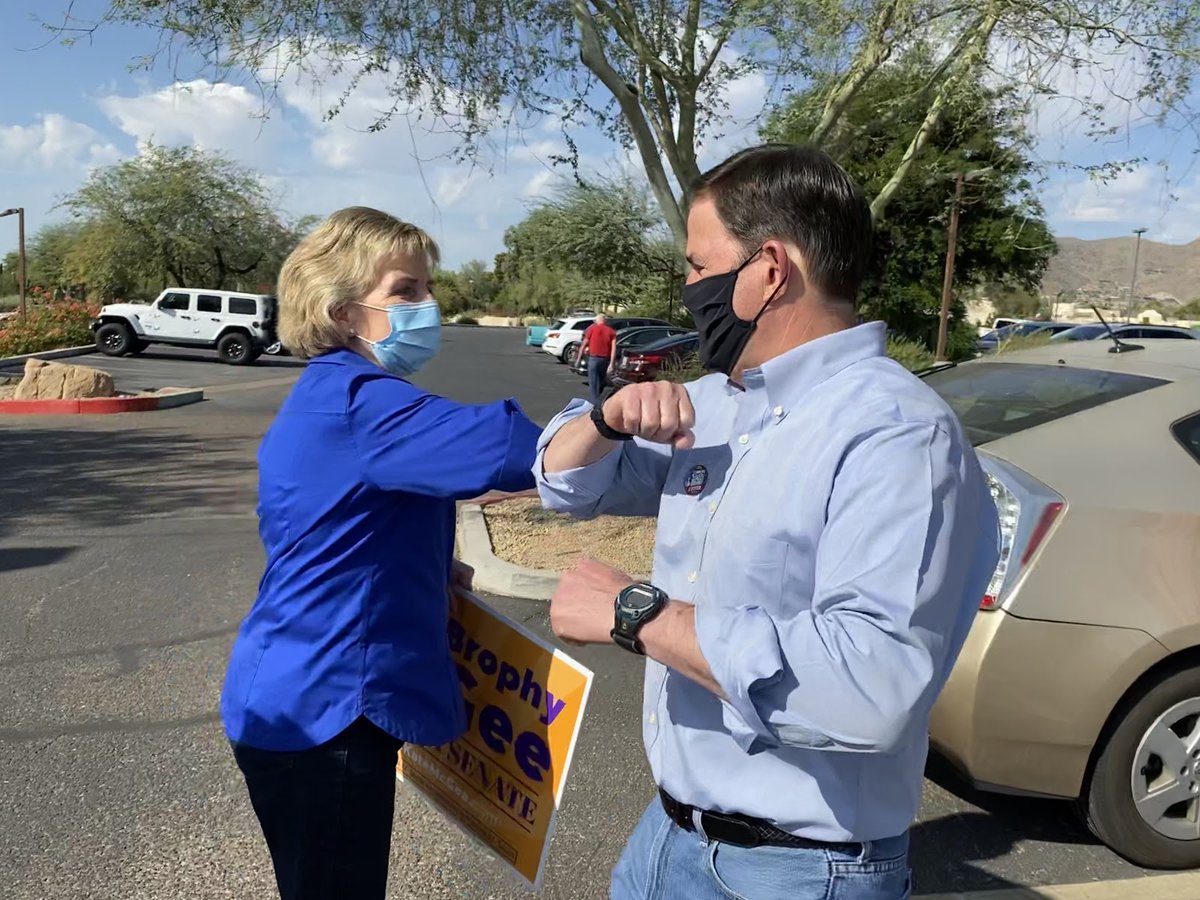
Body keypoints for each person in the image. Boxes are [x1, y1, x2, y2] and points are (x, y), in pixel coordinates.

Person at [533, 145, 1000, 900]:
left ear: (770, 270)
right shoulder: (717, 404)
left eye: (697, 265)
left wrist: (639, 614)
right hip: (668, 836)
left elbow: (870, 685)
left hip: (801, 871)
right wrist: (606, 421)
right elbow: (563, 486)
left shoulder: (897, 435)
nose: (687, 290)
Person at [221, 206, 542, 900]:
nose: (429, 306)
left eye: (429, 287)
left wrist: (421, 568)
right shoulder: (367, 402)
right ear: (342, 310)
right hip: (326, 714)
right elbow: (516, 450)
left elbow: (345, 526)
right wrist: (616, 422)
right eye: (406, 291)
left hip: (291, 691)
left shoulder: (329, 392)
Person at [581, 312, 619, 406]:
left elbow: (584, 344)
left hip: (593, 359)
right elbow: (614, 348)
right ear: (605, 321)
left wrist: (579, 359)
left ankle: (593, 404)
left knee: (593, 383)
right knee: (602, 382)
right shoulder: (611, 331)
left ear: (597, 321)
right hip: (604, 360)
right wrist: (612, 363)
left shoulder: (592, 329)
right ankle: (600, 401)